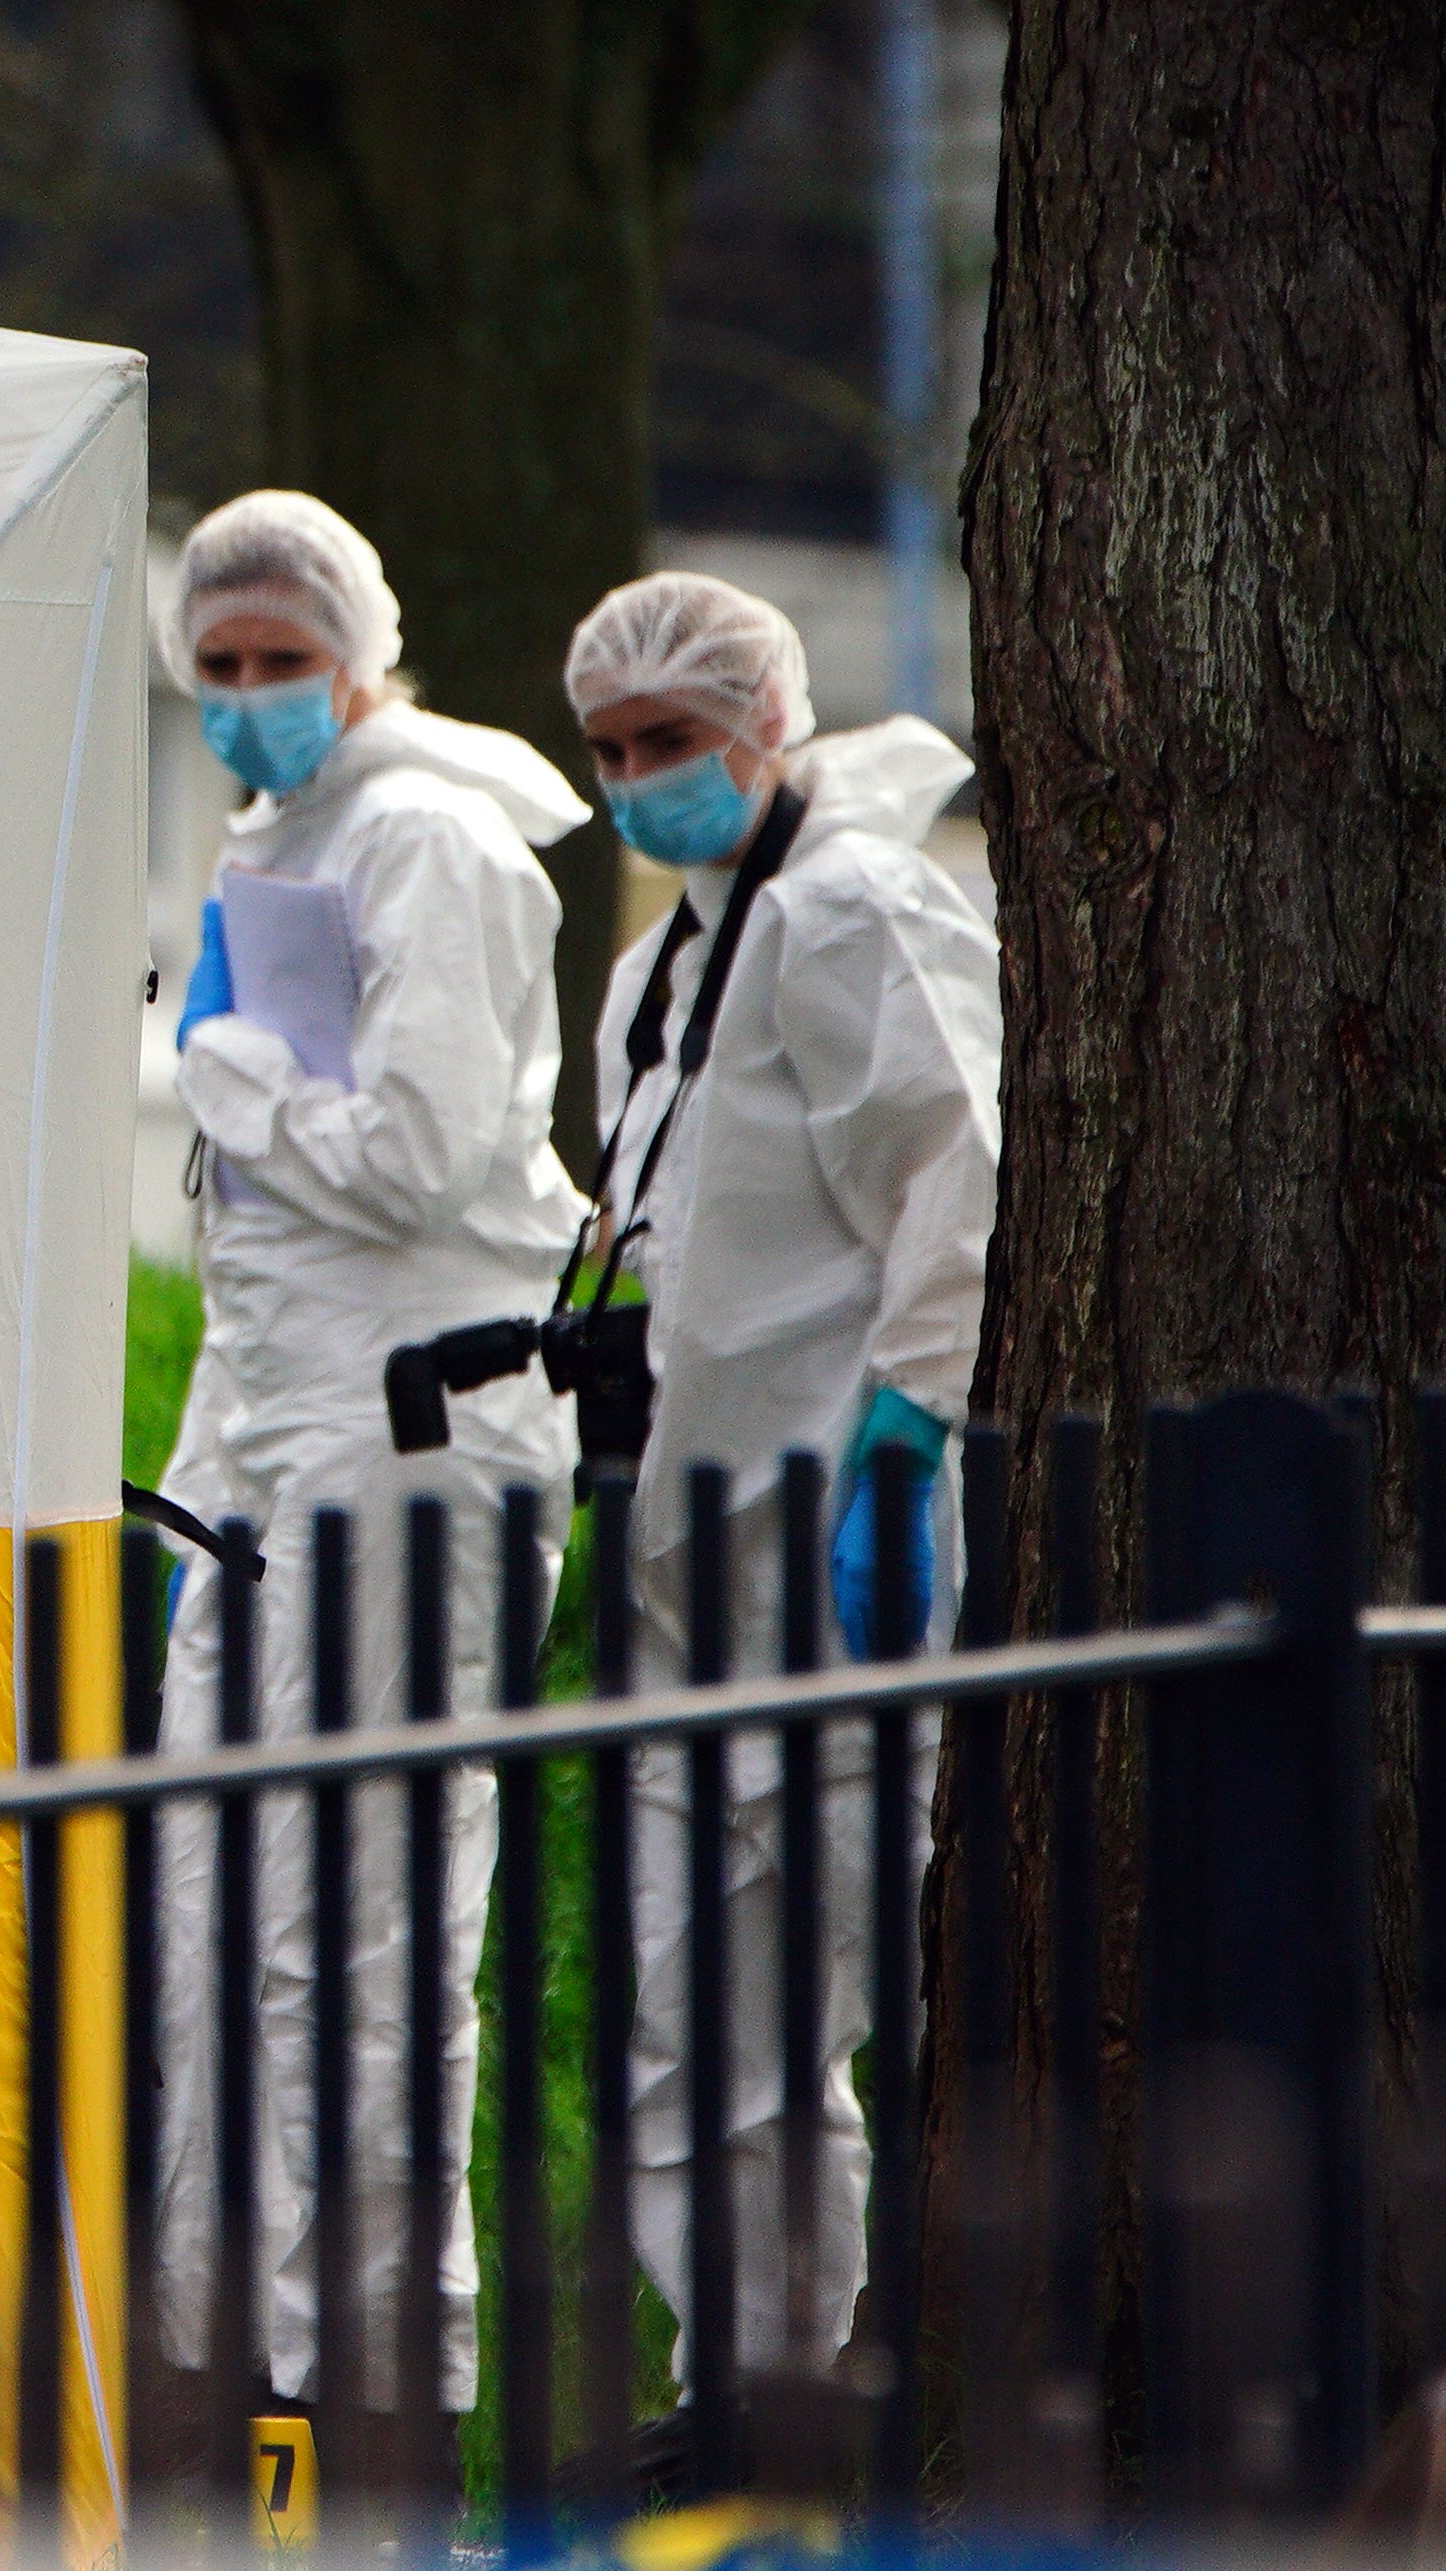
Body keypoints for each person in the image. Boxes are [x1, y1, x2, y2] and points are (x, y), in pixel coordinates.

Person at [143, 492, 589, 2445]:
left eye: (276, 665)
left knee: (367, 1907)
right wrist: (200, 1478)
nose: (247, 701)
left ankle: (383, 2381)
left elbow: (414, 1154)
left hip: (417, 1436)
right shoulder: (286, 839)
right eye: (218, 670)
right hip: (290, 1438)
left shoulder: (432, 837)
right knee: (213, 1895)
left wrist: (218, 1060)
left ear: (359, 649)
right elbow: (265, 1256)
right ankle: (229, 2352)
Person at [562, 568, 1000, 2405]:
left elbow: (964, 1165)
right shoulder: (682, 945)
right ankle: (747, 2381)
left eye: (672, 740)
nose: (644, 777)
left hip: (836, 1525)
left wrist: (909, 1428)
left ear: (765, 722)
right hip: (697, 1555)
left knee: (890, 1972)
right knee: (692, 2013)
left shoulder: (848, 910)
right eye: (611, 751)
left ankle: (931, 2358)